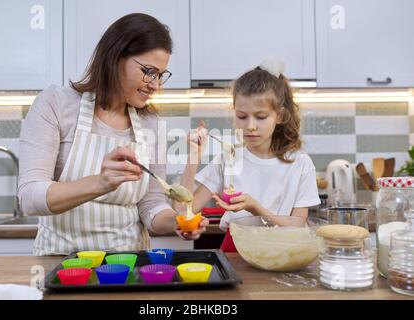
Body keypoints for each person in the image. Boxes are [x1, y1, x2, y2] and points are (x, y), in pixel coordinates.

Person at [18, 13, 208, 256]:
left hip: (128, 266)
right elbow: (29, 197)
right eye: (149, 71)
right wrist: (100, 183)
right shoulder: (56, 104)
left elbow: (151, 205)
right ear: (115, 57)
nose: (155, 85)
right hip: (62, 266)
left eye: (160, 75)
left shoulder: (151, 124)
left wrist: (177, 222)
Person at [174, 57, 320, 252]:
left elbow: (297, 227)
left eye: (260, 117)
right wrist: (194, 156)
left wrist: (254, 207)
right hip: (235, 250)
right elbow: (184, 211)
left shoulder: (300, 164)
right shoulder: (229, 159)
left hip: (281, 250)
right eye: (242, 116)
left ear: (280, 116)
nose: (250, 126)